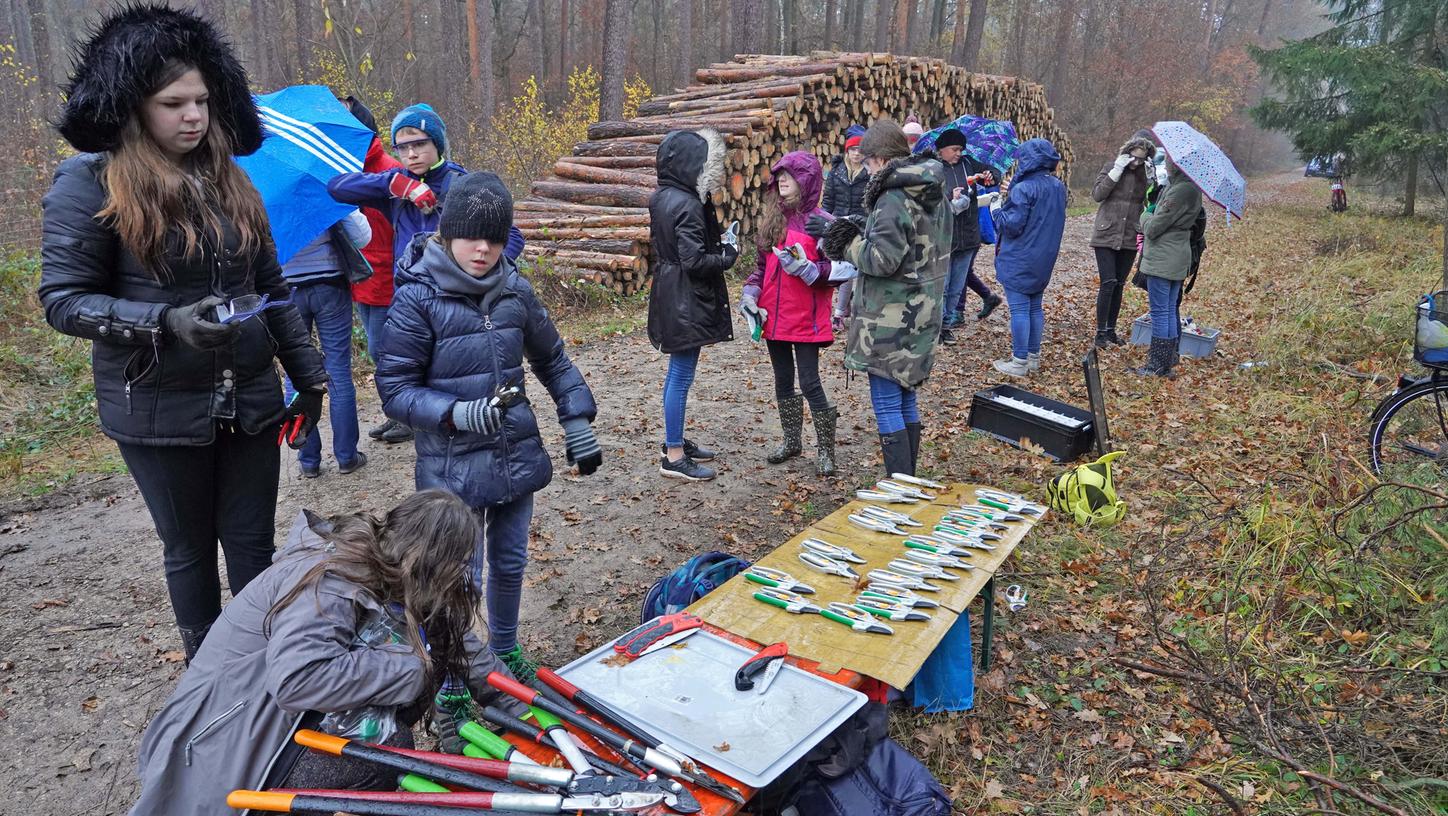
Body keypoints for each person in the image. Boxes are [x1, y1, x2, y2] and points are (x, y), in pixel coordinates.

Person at [38, 5, 327, 662]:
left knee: (253, 545)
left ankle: (260, 668)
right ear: (137, 106)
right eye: (173, 103)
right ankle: (205, 674)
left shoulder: (234, 181)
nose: (192, 115)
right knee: (189, 549)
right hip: (157, 406)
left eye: (200, 100)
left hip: (251, 398)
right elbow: (63, 301)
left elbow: (273, 291)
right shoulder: (89, 184)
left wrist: (309, 378)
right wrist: (165, 323)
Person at [126, 490, 528, 816]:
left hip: (275, 725)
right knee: (383, 753)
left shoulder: (392, 566)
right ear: (425, 560)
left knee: (387, 734)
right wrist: (412, 667)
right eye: (455, 566)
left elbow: (458, 646)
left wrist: (529, 721)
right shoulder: (331, 580)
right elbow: (298, 680)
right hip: (226, 745)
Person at [377, 172, 600, 681]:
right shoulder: (417, 299)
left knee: (511, 561)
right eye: (472, 236)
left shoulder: (515, 290)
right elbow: (394, 390)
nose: (482, 249)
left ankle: (503, 650)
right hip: (451, 467)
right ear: (447, 232)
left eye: (495, 237)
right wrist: (453, 413)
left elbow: (555, 360)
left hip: (514, 452)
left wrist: (577, 418)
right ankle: (456, 671)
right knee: (458, 576)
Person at [328, 104, 528, 434]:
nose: (411, 154)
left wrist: (483, 273)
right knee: (409, 367)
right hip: (410, 299)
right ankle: (413, 420)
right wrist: (398, 186)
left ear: (436, 144)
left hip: (457, 302)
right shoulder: (396, 186)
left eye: (419, 144)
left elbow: (512, 237)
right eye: (403, 147)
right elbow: (337, 188)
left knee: (459, 374)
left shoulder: (461, 184)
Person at [816, 119, 950, 477]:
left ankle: (899, 485)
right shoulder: (932, 189)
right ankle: (908, 480)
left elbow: (881, 260)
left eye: (867, 161)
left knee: (888, 401)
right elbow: (914, 247)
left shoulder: (893, 197)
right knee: (907, 395)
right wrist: (865, 230)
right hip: (923, 310)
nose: (865, 168)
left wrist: (847, 243)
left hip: (891, 318)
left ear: (879, 159)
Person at [740, 152, 841, 476]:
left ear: (807, 180)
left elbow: (841, 269)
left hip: (806, 318)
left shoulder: (822, 222)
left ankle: (826, 451)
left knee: (810, 382)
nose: (781, 180)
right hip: (774, 318)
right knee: (783, 380)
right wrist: (749, 295)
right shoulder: (773, 220)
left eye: (789, 175)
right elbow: (760, 269)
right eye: (779, 175)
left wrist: (813, 270)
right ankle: (792, 441)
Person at [646, 128, 738, 482]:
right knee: (680, 376)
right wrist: (728, 255)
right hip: (684, 298)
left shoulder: (663, 196)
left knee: (677, 374)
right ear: (692, 165)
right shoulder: (685, 203)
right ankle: (673, 454)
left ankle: (675, 438)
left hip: (672, 292)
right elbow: (695, 261)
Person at [339, 95, 414, 444]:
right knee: (375, 349)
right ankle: (395, 412)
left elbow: (399, 230)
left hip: (385, 275)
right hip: (362, 276)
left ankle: (406, 416)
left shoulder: (387, 171)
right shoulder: (348, 170)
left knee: (387, 350)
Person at [281, 210, 372, 478]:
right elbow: (362, 236)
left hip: (285, 289)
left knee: (294, 374)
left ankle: (308, 459)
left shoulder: (263, 193)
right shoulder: (320, 183)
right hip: (329, 284)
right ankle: (347, 457)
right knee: (338, 372)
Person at [989, 138, 1068, 377]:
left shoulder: (1024, 189)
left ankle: (1019, 361)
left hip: (1020, 257)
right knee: (1035, 307)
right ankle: (1033, 357)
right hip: (1044, 257)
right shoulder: (1057, 186)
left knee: (1020, 310)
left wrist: (995, 208)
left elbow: (1010, 225)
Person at [1135, 157, 1203, 378]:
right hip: (1175, 256)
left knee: (1161, 312)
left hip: (1164, 258)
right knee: (1170, 308)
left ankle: (1157, 365)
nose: (1168, 165)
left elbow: (1154, 228)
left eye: (1171, 162)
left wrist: (1145, 215)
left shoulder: (1181, 191)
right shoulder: (1185, 188)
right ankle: (1169, 358)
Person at [935, 127, 1002, 345]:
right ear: (942, 149)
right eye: (954, 149)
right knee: (942, 287)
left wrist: (991, 175)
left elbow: (991, 175)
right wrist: (947, 196)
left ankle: (946, 325)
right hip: (943, 237)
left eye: (961, 149)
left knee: (956, 287)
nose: (958, 153)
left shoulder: (968, 164)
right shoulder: (933, 169)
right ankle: (935, 326)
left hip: (968, 236)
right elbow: (926, 199)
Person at [1090, 132, 1156, 348]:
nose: (1136, 162)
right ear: (1127, 152)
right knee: (1107, 283)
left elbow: (1153, 202)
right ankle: (1100, 333)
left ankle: (1110, 330)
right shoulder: (1111, 166)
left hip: (1129, 235)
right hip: (1106, 233)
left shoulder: (1144, 175)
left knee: (1118, 284)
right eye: (1133, 157)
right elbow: (1098, 194)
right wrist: (1116, 171)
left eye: (1141, 158)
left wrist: (1152, 180)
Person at [822, 125, 870, 331]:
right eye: (853, 150)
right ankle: (839, 313)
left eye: (860, 150)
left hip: (859, 226)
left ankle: (841, 311)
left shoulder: (869, 174)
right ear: (847, 151)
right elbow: (828, 200)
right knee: (840, 269)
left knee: (854, 269)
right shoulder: (836, 173)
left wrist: (865, 221)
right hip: (838, 225)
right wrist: (826, 221)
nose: (856, 153)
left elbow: (870, 203)